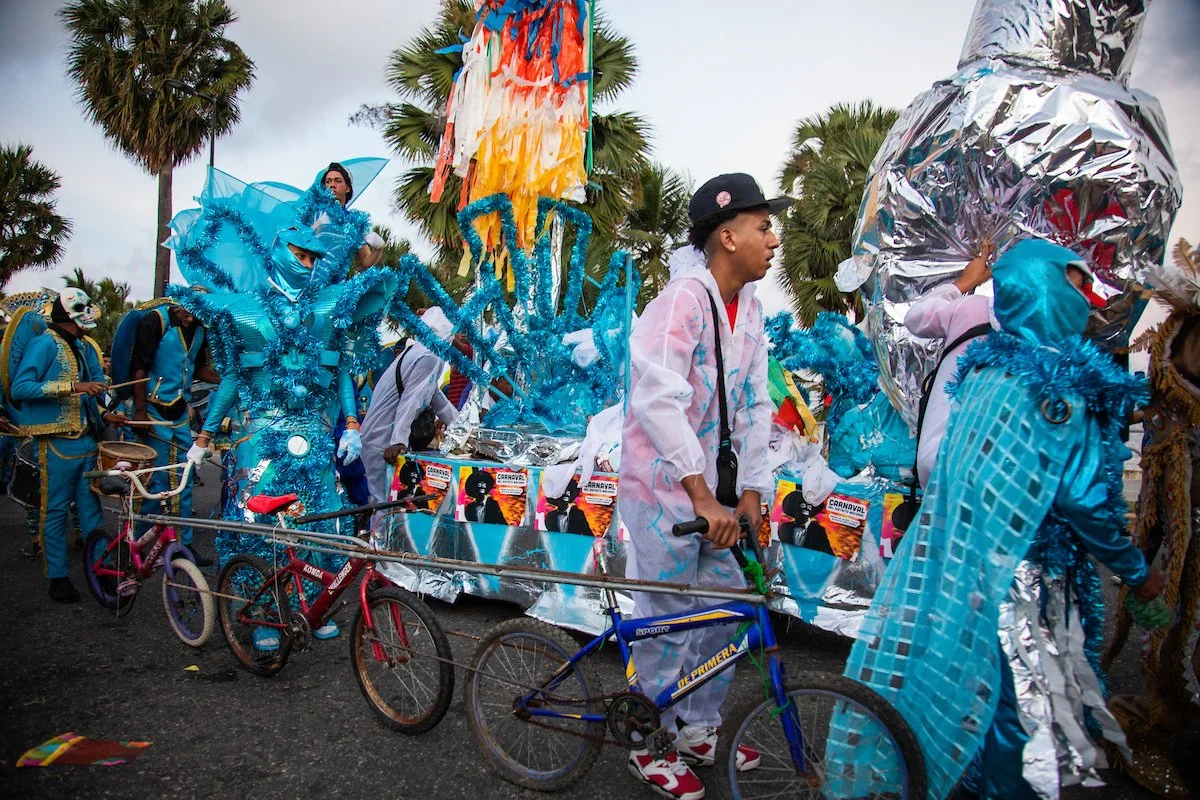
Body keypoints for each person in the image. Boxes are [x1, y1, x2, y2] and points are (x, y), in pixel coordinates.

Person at [830, 238, 1165, 800]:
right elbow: (1084, 502)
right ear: (1044, 287)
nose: (1088, 294)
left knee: (983, 690)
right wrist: (1136, 571)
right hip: (1026, 581)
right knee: (1026, 713)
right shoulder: (1060, 389)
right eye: (1077, 281)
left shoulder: (986, 371)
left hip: (973, 566)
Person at [619, 173, 786, 799]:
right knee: (663, 618)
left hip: (715, 493)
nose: (773, 239)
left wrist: (749, 491)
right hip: (666, 490)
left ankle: (698, 724)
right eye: (763, 226)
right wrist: (700, 494)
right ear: (726, 234)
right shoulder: (681, 301)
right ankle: (649, 738)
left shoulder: (752, 311)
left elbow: (753, 408)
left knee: (730, 608)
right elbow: (658, 397)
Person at [9, 289, 126, 602]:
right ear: (73, 315)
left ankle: (101, 571)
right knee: (56, 511)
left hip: (86, 441)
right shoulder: (44, 344)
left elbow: (86, 399)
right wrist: (74, 386)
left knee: (92, 512)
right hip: (57, 444)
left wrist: (106, 415)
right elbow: (22, 386)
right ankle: (57, 576)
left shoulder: (80, 346)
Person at [129, 301, 220, 565]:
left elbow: (198, 368)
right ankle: (137, 543)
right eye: (188, 312)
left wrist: (226, 380)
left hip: (180, 411)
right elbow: (139, 366)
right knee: (152, 481)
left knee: (184, 478)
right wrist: (140, 411)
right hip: (152, 410)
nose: (191, 319)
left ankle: (183, 546)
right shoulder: (155, 321)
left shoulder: (201, 329)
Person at [903, 241, 996, 488]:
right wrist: (965, 284)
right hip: (955, 476)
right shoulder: (976, 311)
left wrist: (965, 283)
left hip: (941, 470)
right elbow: (916, 318)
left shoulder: (974, 310)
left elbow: (917, 317)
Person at [359, 307, 464, 503]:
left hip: (377, 437)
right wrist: (398, 441)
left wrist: (466, 434)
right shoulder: (429, 356)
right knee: (383, 504)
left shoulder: (419, 352)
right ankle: (377, 535)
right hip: (382, 439)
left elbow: (437, 399)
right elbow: (412, 399)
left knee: (384, 502)